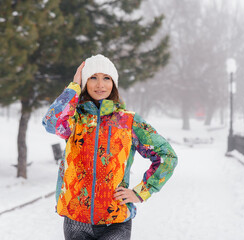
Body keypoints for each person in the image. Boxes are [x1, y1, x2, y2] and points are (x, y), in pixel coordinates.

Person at [42, 54, 177, 240]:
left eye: (106, 78)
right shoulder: (74, 119)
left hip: (115, 220)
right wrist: (73, 87)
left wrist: (141, 192)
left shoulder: (128, 121)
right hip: (76, 220)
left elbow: (166, 156)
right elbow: (50, 122)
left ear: (114, 83)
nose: (100, 85)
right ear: (84, 82)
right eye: (93, 78)